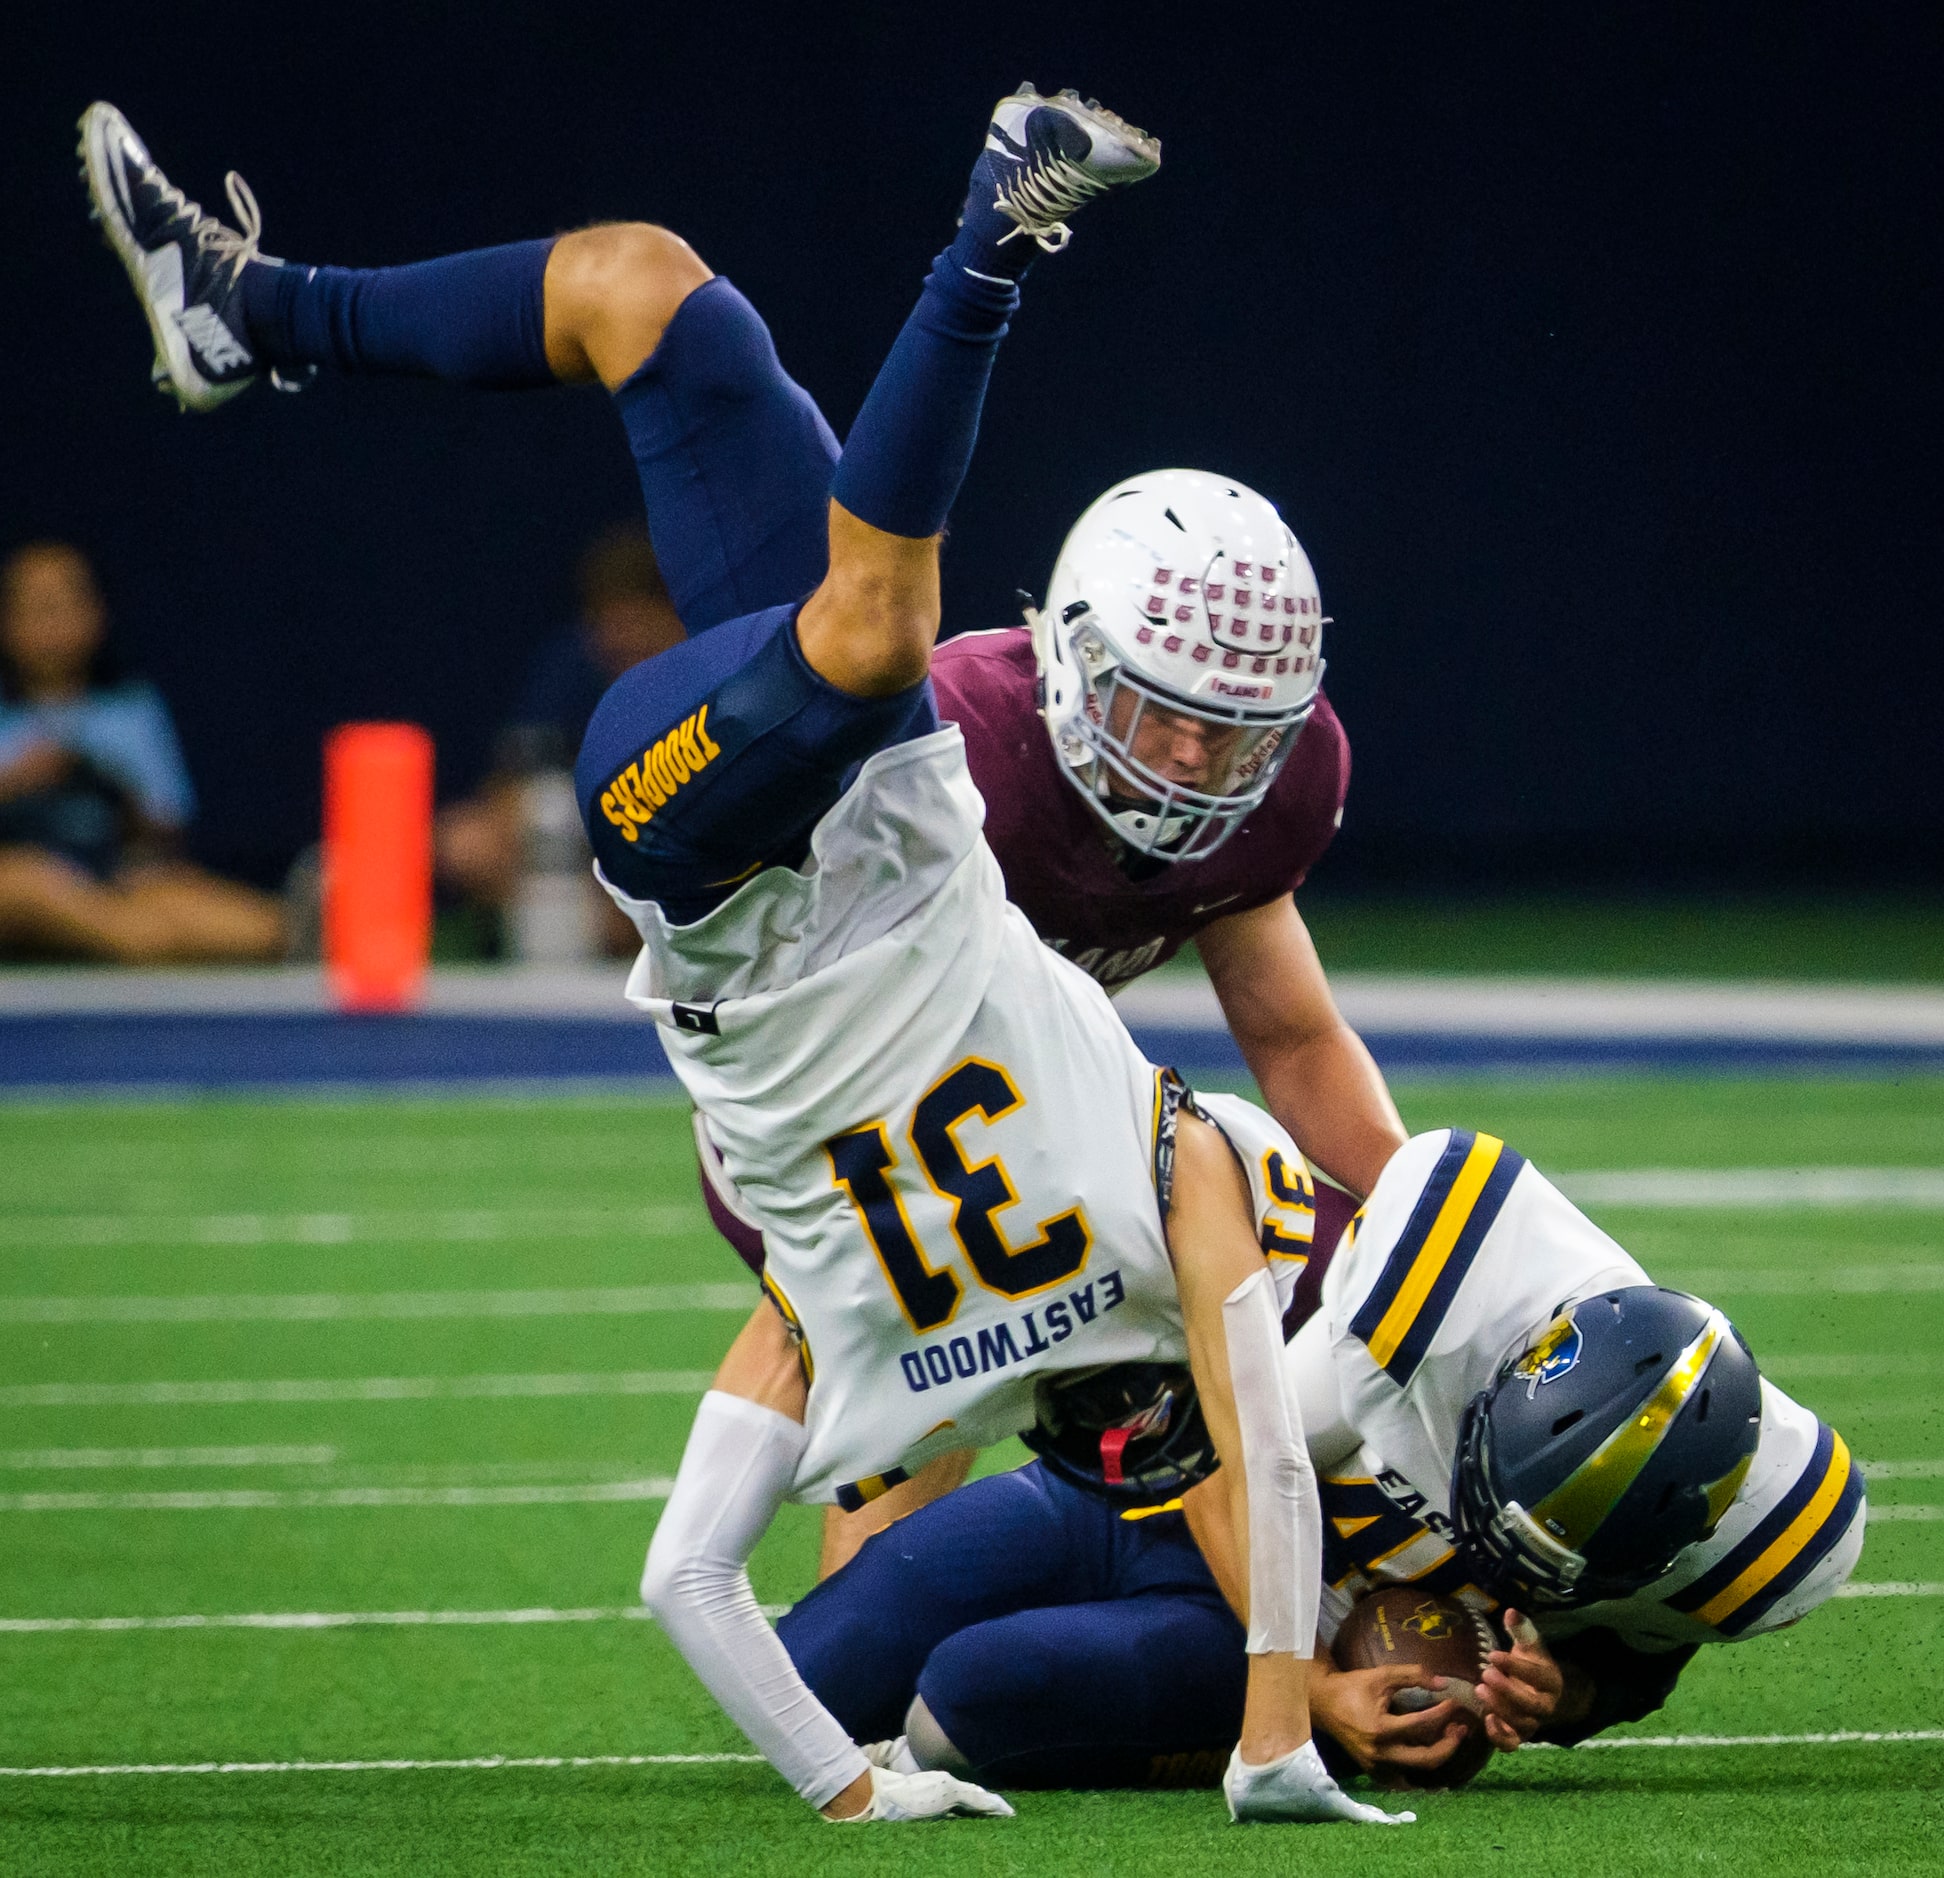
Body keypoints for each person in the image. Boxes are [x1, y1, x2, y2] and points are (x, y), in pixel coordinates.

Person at [81, 86, 1413, 1830]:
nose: (1188, 771)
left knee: (864, 635)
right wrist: (891, 1770)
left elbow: (1221, 1383)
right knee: (644, 292)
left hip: (714, 851)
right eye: (1163, 726)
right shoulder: (1121, 1191)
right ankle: (244, 310)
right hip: (849, 816)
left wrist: (1263, 1713)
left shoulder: (1030, 1224)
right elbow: (710, 1571)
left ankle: (995, 233)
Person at [776, 1120, 1865, 1789]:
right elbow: (1215, 1469)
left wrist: (1561, 1693)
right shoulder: (1456, 1286)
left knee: (970, 1699)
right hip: (1183, 1515)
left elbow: (1637, 1662)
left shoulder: (1773, 1530)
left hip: (1283, 1639)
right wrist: (1300, 1687)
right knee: (808, 1685)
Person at [0, 540, 285, 962]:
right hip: (21, 879)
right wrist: (18, 782)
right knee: (30, 885)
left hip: (117, 878)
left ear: (96, 615)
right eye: (37, 608)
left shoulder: (133, 709)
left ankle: (295, 926)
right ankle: (139, 941)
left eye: (66, 605)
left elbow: (165, 833)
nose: (53, 626)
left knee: (235, 916)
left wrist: (111, 790)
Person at [435, 522, 683, 952]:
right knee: (465, 840)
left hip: (679, 864)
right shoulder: (574, 666)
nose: (619, 642)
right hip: (581, 865)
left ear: (675, 618)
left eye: (637, 627)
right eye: (607, 625)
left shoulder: (715, 678)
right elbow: (511, 785)